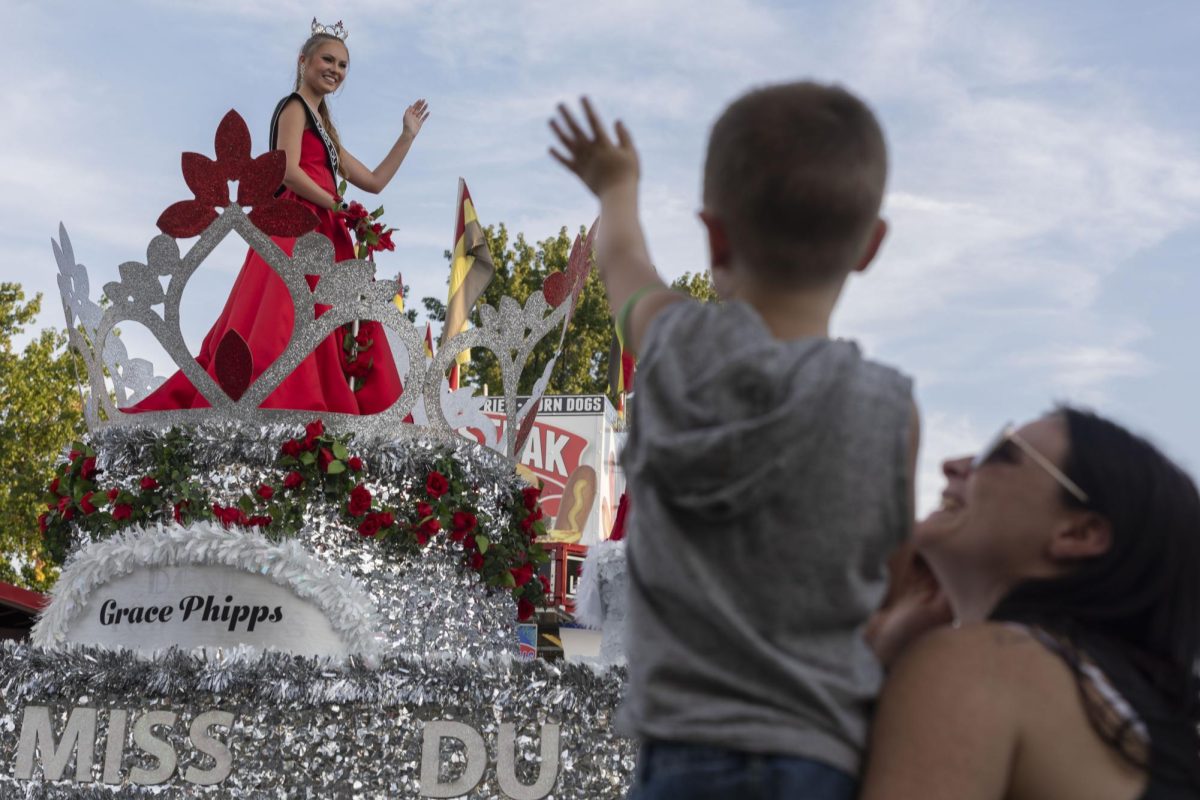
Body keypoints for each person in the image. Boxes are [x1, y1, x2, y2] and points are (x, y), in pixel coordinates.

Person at [550, 83, 918, 799]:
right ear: (871, 246)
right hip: (823, 759)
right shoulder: (892, 410)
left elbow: (621, 262)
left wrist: (616, 187)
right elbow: (891, 597)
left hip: (680, 760)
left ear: (715, 235)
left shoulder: (672, 345)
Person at [861, 408, 1200, 799]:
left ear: (1078, 533)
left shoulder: (983, 663)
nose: (952, 465)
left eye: (1001, 454)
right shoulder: (1140, 727)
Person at [127, 20, 429, 414]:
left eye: (343, 65)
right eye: (328, 59)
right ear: (304, 61)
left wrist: (406, 135)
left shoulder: (327, 133)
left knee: (322, 324)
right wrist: (334, 203)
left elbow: (373, 181)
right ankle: (287, 401)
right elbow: (287, 170)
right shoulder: (294, 107)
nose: (335, 70)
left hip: (325, 228)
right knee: (285, 317)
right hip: (297, 224)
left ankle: (325, 409)